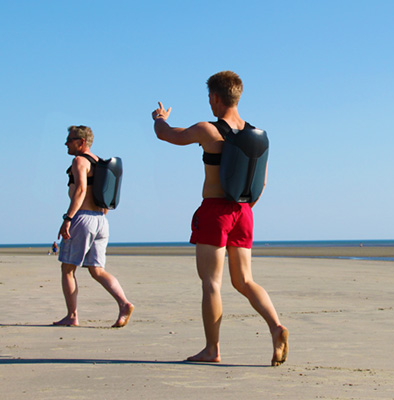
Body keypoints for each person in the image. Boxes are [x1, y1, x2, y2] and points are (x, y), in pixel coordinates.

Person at [152, 71, 289, 366]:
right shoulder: (257, 136)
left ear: (214, 97)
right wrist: (243, 207)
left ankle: (212, 350)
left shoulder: (208, 130)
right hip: (244, 212)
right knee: (245, 281)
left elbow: (166, 135)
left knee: (211, 283)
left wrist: (159, 117)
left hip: (215, 211)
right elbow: (261, 184)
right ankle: (276, 326)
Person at [53, 125, 134, 328]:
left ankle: (72, 316)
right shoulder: (100, 163)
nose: (66, 143)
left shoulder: (79, 161)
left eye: (69, 140)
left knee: (68, 270)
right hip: (101, 220)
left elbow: (80, 190)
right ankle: (124, 303)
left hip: (83, 219)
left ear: (81, 142)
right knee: (97, 269)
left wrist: (68, 218)